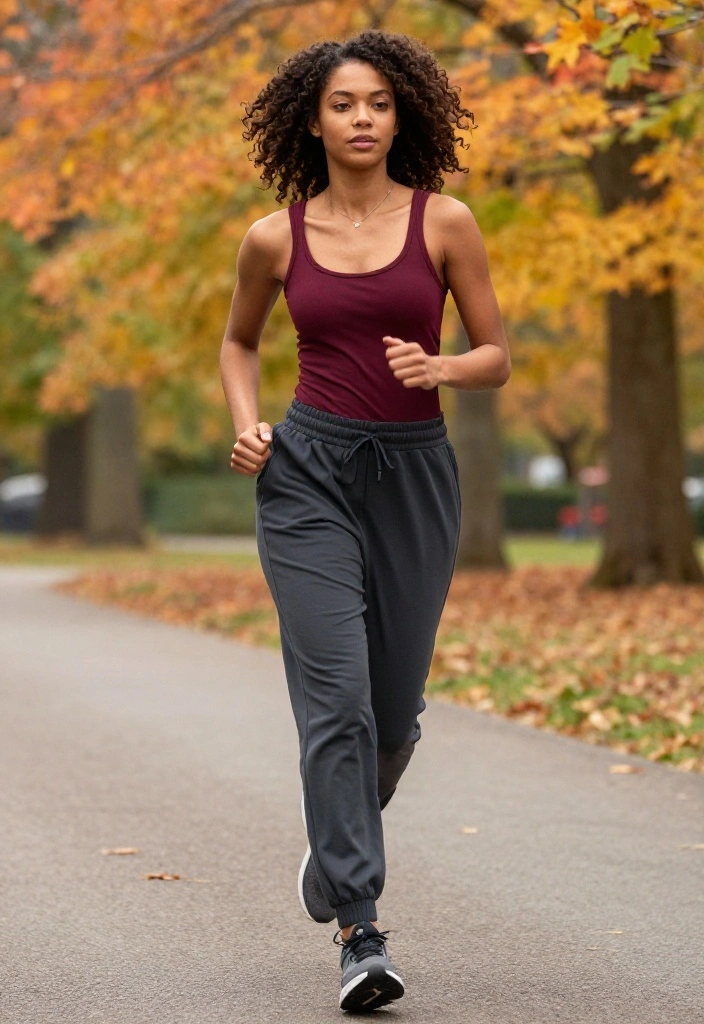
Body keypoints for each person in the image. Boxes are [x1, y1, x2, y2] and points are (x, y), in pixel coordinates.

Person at [220, 29, 510, 1013]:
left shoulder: (445, 223)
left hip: (414, 476)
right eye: (342, 103)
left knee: (391, 715)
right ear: (312, 118)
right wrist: (246, 424)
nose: (360, 118)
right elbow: (237, 342)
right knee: (334, 703)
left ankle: (333, 848)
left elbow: (495, 354)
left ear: (401, 116)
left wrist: (442, 369)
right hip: (306, 477)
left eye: (377, 103)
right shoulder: (274, 236)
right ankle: (359, 924)